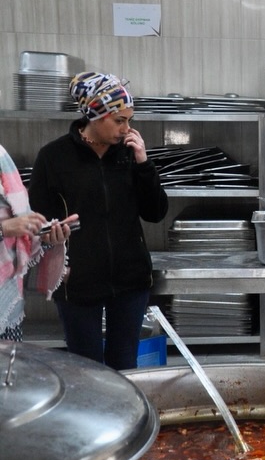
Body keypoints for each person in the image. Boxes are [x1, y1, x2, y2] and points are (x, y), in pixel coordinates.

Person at [29, 71, 168, 369]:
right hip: (77, 282)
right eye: (120, 121)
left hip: (131, 279)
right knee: (86, 371)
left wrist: (144, 164)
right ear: (95, 115)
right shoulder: (53, 157)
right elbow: (37, 220)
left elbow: (156, 213)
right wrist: (50, 236)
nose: (126, 128)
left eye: (129, 120)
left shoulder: (129, 155)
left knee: (125, 367)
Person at [1, 144, 75, 342]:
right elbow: (8, 227)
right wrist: (4, 229)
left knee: (8, 372)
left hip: (7, 310)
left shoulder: (1, 156)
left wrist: (44, 235)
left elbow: (18, 230)